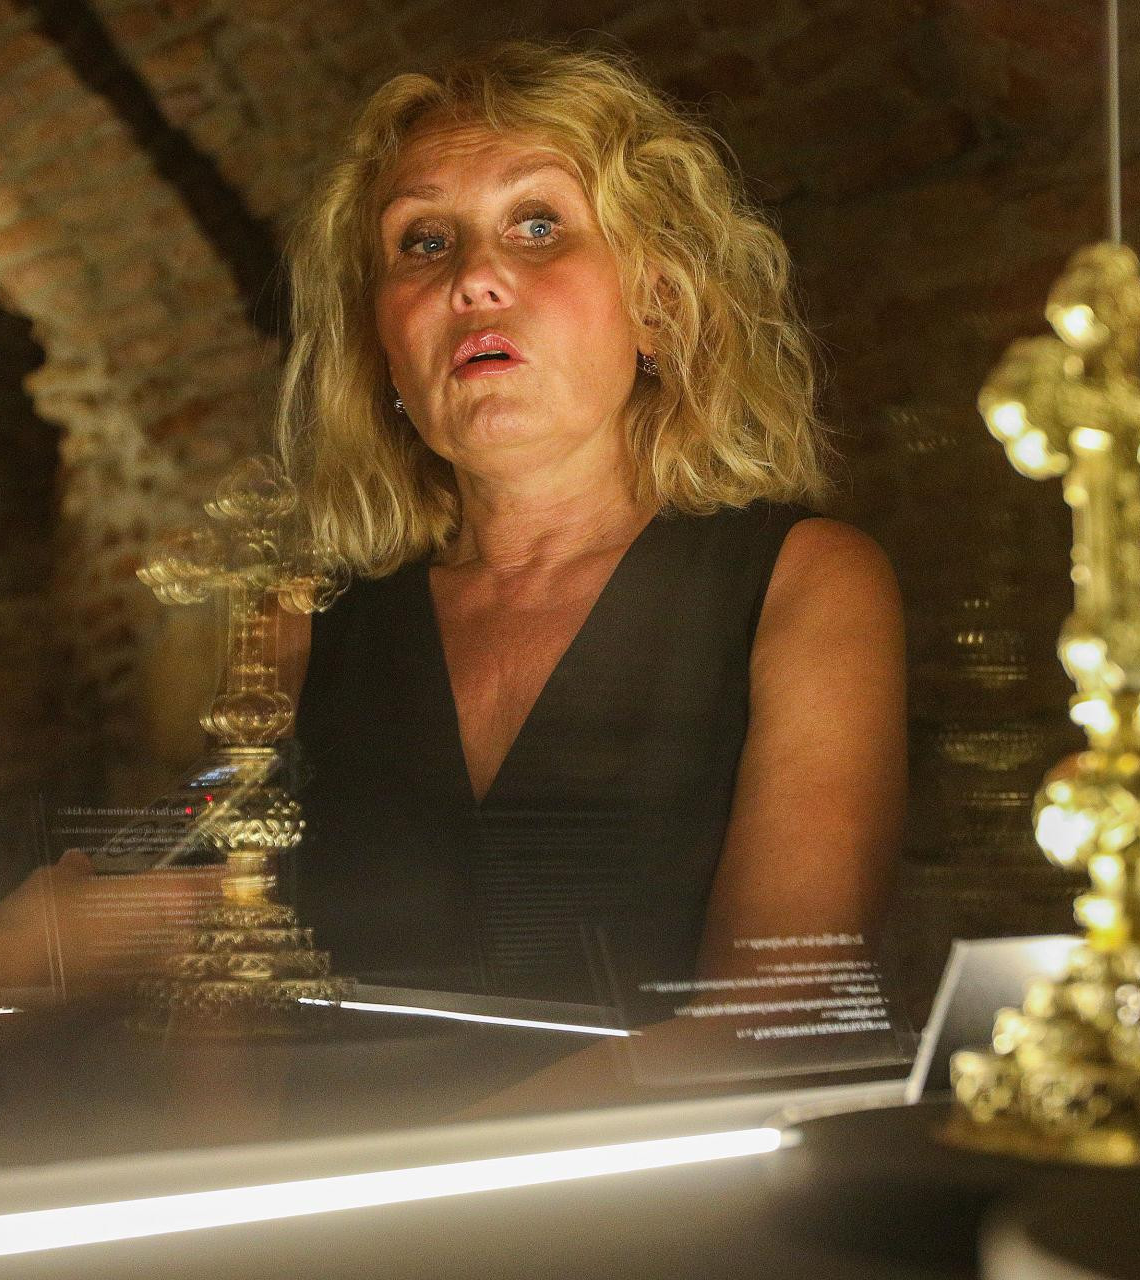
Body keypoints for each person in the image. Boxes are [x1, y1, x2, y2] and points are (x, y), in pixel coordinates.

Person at [276, 39, 906, 1009]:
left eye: (538, 225)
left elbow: (774, 1019)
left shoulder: (804, 584)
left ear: (656, 302)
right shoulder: (296, 629)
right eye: (424, 242)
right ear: (381, 347)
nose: (474, 280)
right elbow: (214, 1011)